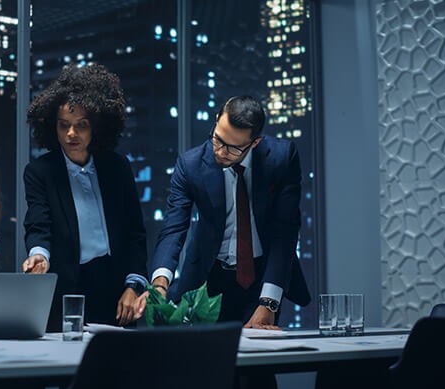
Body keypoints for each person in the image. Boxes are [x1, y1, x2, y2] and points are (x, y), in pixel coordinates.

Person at [136, 95, 311, 328]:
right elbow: (174, 228)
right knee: (206, 360)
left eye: (233, 148)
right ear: (217, 119)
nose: (220, 152)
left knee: (256, 359)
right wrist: (159, 284)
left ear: (254, 143)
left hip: (262, 277)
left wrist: (269, 302)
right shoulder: (190, 165)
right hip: (208, 280)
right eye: (218, 140)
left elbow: (285, 232)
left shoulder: (281, 158)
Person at [22, 63, 147, 330]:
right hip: (66, 291)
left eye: (81, 125)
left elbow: (135, 235)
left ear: (97, 127)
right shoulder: (40, 172)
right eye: (63, 125)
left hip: (115, 289)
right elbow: (38, 223)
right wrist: (39, 255)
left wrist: (133, 285)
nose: (71, 133)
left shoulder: (117, 167)